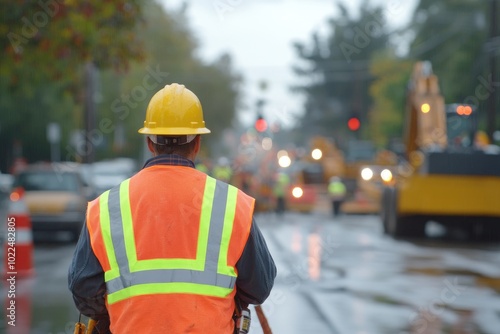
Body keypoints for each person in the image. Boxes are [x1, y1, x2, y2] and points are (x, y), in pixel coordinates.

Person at [68, 83, 277, 333]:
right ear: (197, 143)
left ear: (149, 142)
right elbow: (260, 287)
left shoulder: (106, 207)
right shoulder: (233, 205)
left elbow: (83, 287)